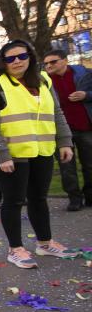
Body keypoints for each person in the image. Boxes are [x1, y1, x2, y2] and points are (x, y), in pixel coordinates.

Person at [0, 39, 79, 268]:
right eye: (10, 58)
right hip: (10, 155)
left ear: (30, 58)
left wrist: (65, 141)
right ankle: (15, 249)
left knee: (39, 198)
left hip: (41, 150)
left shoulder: (44, 81)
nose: (17, 61)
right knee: (13, 201)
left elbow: (56, 112)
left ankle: (45, 243)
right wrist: (2, 155)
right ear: (2, 63)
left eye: (22, 56)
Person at [43, 49, 92, 211]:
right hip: (61, 132)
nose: (49, 65)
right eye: (46, 63)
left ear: (64, 60)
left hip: (85, 127)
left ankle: (90, 196)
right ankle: (74, 198)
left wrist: (86, 95)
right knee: (67, 168)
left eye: (53, 62)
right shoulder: (43, 82)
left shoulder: (84, 74)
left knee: (89, 164)